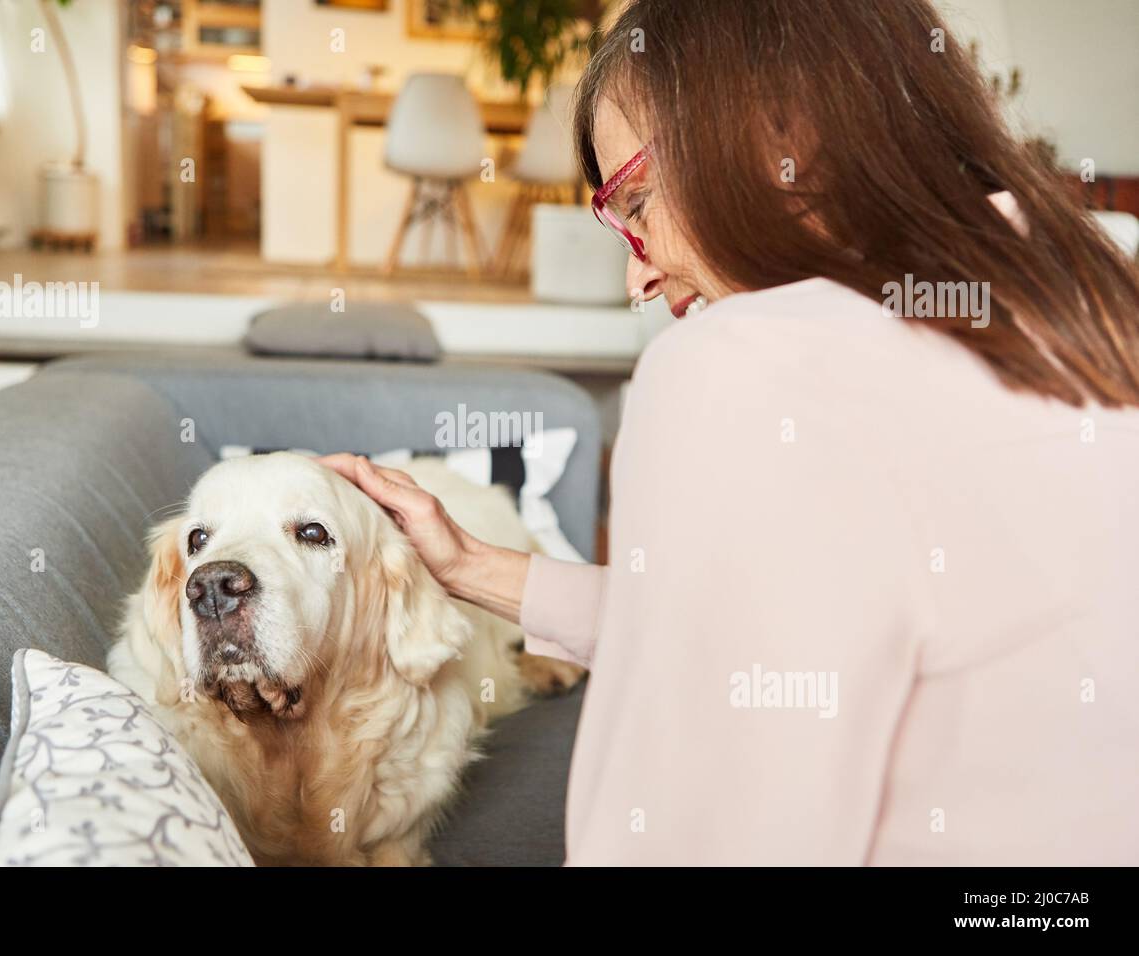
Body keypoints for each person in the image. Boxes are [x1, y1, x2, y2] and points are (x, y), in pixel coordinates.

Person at [323, 0, 1139, 865]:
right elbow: (788, 626)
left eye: (634, 201)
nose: (636, 275)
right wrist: (473, 566)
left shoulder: (745, 367)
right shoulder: (1095, 291)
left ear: (781, 135)